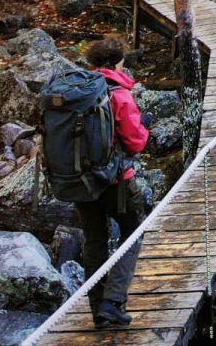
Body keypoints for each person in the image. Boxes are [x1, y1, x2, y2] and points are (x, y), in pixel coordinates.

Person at [78, 38, 151, 329]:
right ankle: (113, 301)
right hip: (115, 181)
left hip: (79, 181)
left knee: (94, 240)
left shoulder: (78, 91)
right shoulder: (119, 94)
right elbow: (135, 142)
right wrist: (144, 124)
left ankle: (98, 309)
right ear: (118, 62)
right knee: (133, 232)